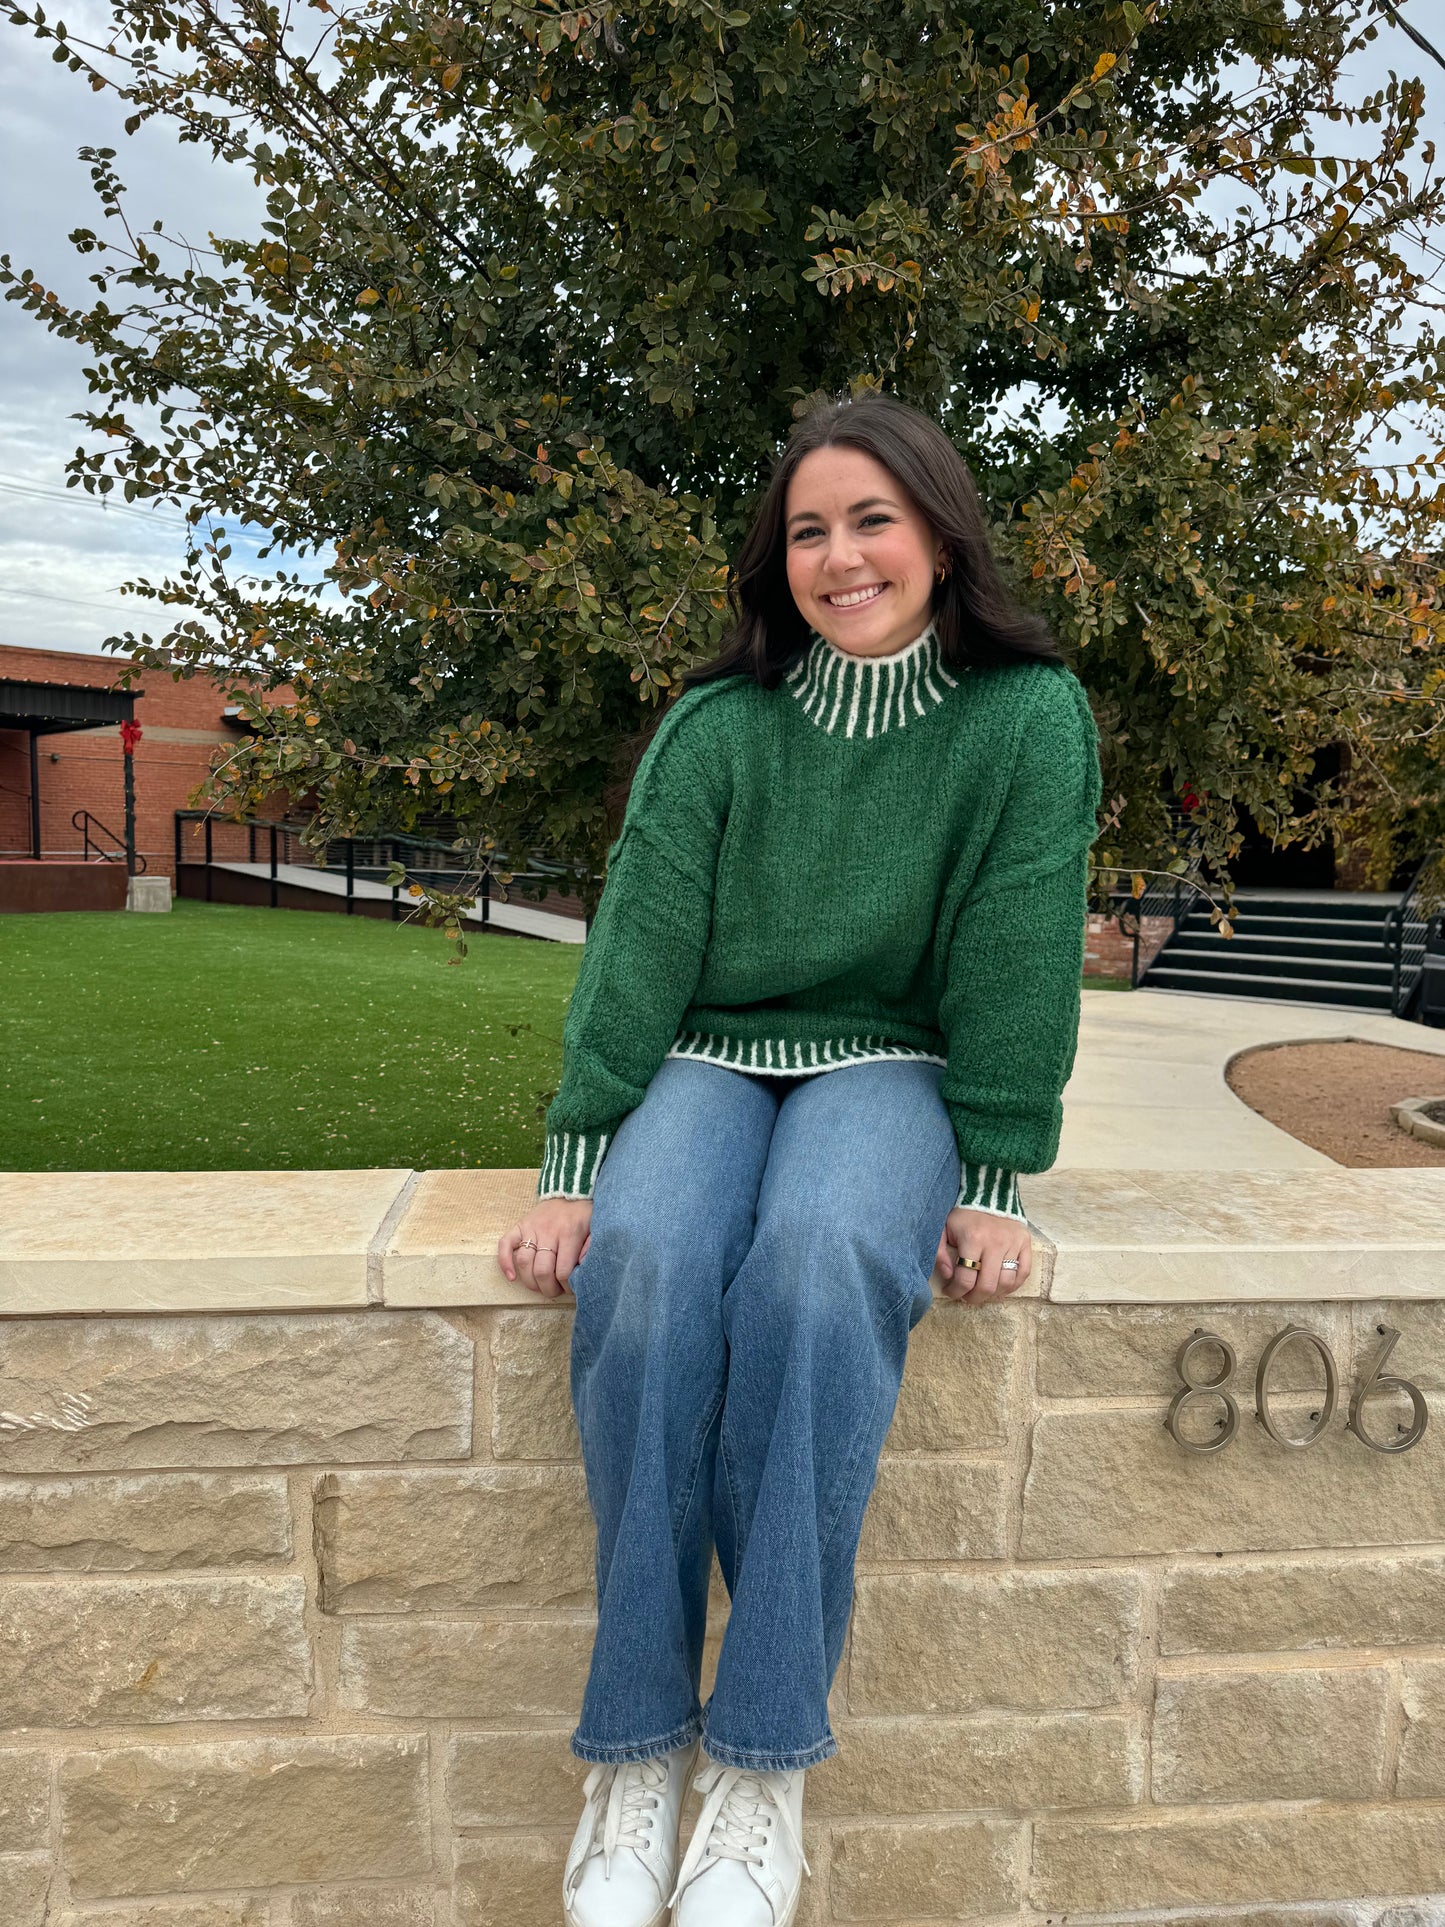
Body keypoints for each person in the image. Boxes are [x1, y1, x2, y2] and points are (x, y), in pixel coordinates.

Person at [497, 391, 1102, 1927]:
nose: (840, 556)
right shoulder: (721, 729)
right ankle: (633, 1753)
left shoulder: (1025, 720)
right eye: (807, 530)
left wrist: (994, 1182)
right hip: (709, 1051)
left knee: (822, 1266)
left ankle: (761, 1768)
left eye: (871, 520)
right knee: (644, 1266)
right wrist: (576, 1160)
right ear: (778, 562)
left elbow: (1017, 956)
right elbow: (636, 949)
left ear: (940, 537)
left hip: (891, 1064)